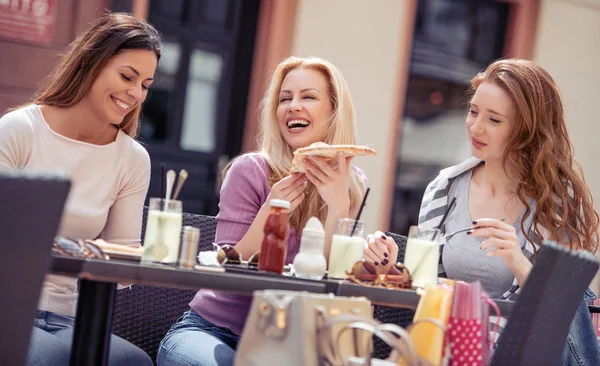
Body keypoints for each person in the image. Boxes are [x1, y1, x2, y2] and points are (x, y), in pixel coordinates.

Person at [365, 59, 600, 364]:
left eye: (495, 120)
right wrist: (396, 263)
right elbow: (426, 291)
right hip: (447, 353)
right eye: (473, 111)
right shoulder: (445, 189)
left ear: (527, 129)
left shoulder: (558, 205)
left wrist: (518, 262)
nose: (476, 127)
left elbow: (564, 315)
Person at [157, 56, 368, 366]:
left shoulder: (353, 184)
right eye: (285, 99)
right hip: (214, 332)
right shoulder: (250, 171)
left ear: (334, 111)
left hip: (293, 345)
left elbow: (332, 284)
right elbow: (226, 268)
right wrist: (271, 212)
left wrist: (339, 207)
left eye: (308, 96)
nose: (293, 106)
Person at [0, 13, 161, 365]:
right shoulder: (18, 131)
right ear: (91, 63)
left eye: (145, 84)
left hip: (71, 318)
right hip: (7, 311)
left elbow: (122, 267)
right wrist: (88, 248)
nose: (135, 93)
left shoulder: (132, 159)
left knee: (134, 362)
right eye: (126, 76)